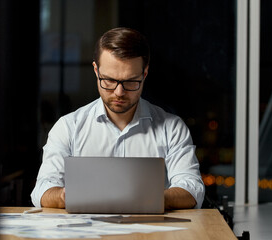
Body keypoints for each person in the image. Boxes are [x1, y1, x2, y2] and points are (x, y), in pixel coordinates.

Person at [31, 27, 205, 209]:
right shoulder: (68, 127)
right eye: (109, 80)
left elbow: (193, 190)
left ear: (144, 74)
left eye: (131, 81)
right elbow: (42, 190)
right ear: (96, 71)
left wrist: (142, 199)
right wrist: (66, 196)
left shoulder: (172, 128)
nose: (119, 92)